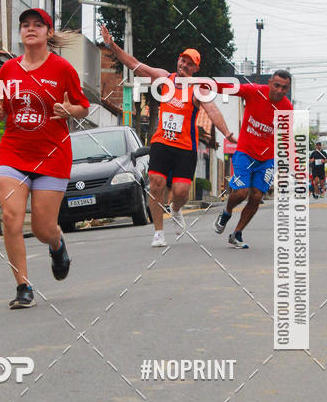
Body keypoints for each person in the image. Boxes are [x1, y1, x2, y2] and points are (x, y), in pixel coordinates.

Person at [100, 25, 237, 246]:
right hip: (162, 142)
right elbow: (135, 65)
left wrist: (228, 134)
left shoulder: (197, 89)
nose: (184, 65)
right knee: (156, 183)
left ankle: (175, 209)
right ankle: (158, 232)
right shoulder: (165, 79)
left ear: (195, 69)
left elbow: (213, 111)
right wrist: (112, 45)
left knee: (181, 191)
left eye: (189, 63)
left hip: (185, 147)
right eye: (182, 60)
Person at [0, 8, 89, 308]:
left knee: (43, 229)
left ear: (48, 32)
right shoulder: (8, 70)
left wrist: (69, 110)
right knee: (10, 218)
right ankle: (23, 286)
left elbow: (83, 106)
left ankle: (57, 245)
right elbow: (2, 106)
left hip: (52, 156)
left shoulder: (62, 69)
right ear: (20, 32)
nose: (30, 29)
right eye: (25, 25)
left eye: (37, 25)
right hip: (14, 152)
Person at [211, 71, 293, 248]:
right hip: (245, 152)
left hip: (267, 159)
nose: (279, 90)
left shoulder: (287, 108)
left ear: (288, 89)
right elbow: (229, 88)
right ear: (270, 82)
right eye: (276, 85)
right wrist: (207, 84)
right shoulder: (254, 91)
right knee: (241, 192)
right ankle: (226, 212)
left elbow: (286, 137)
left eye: (284, 87)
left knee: (256, 196)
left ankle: (237, 233)